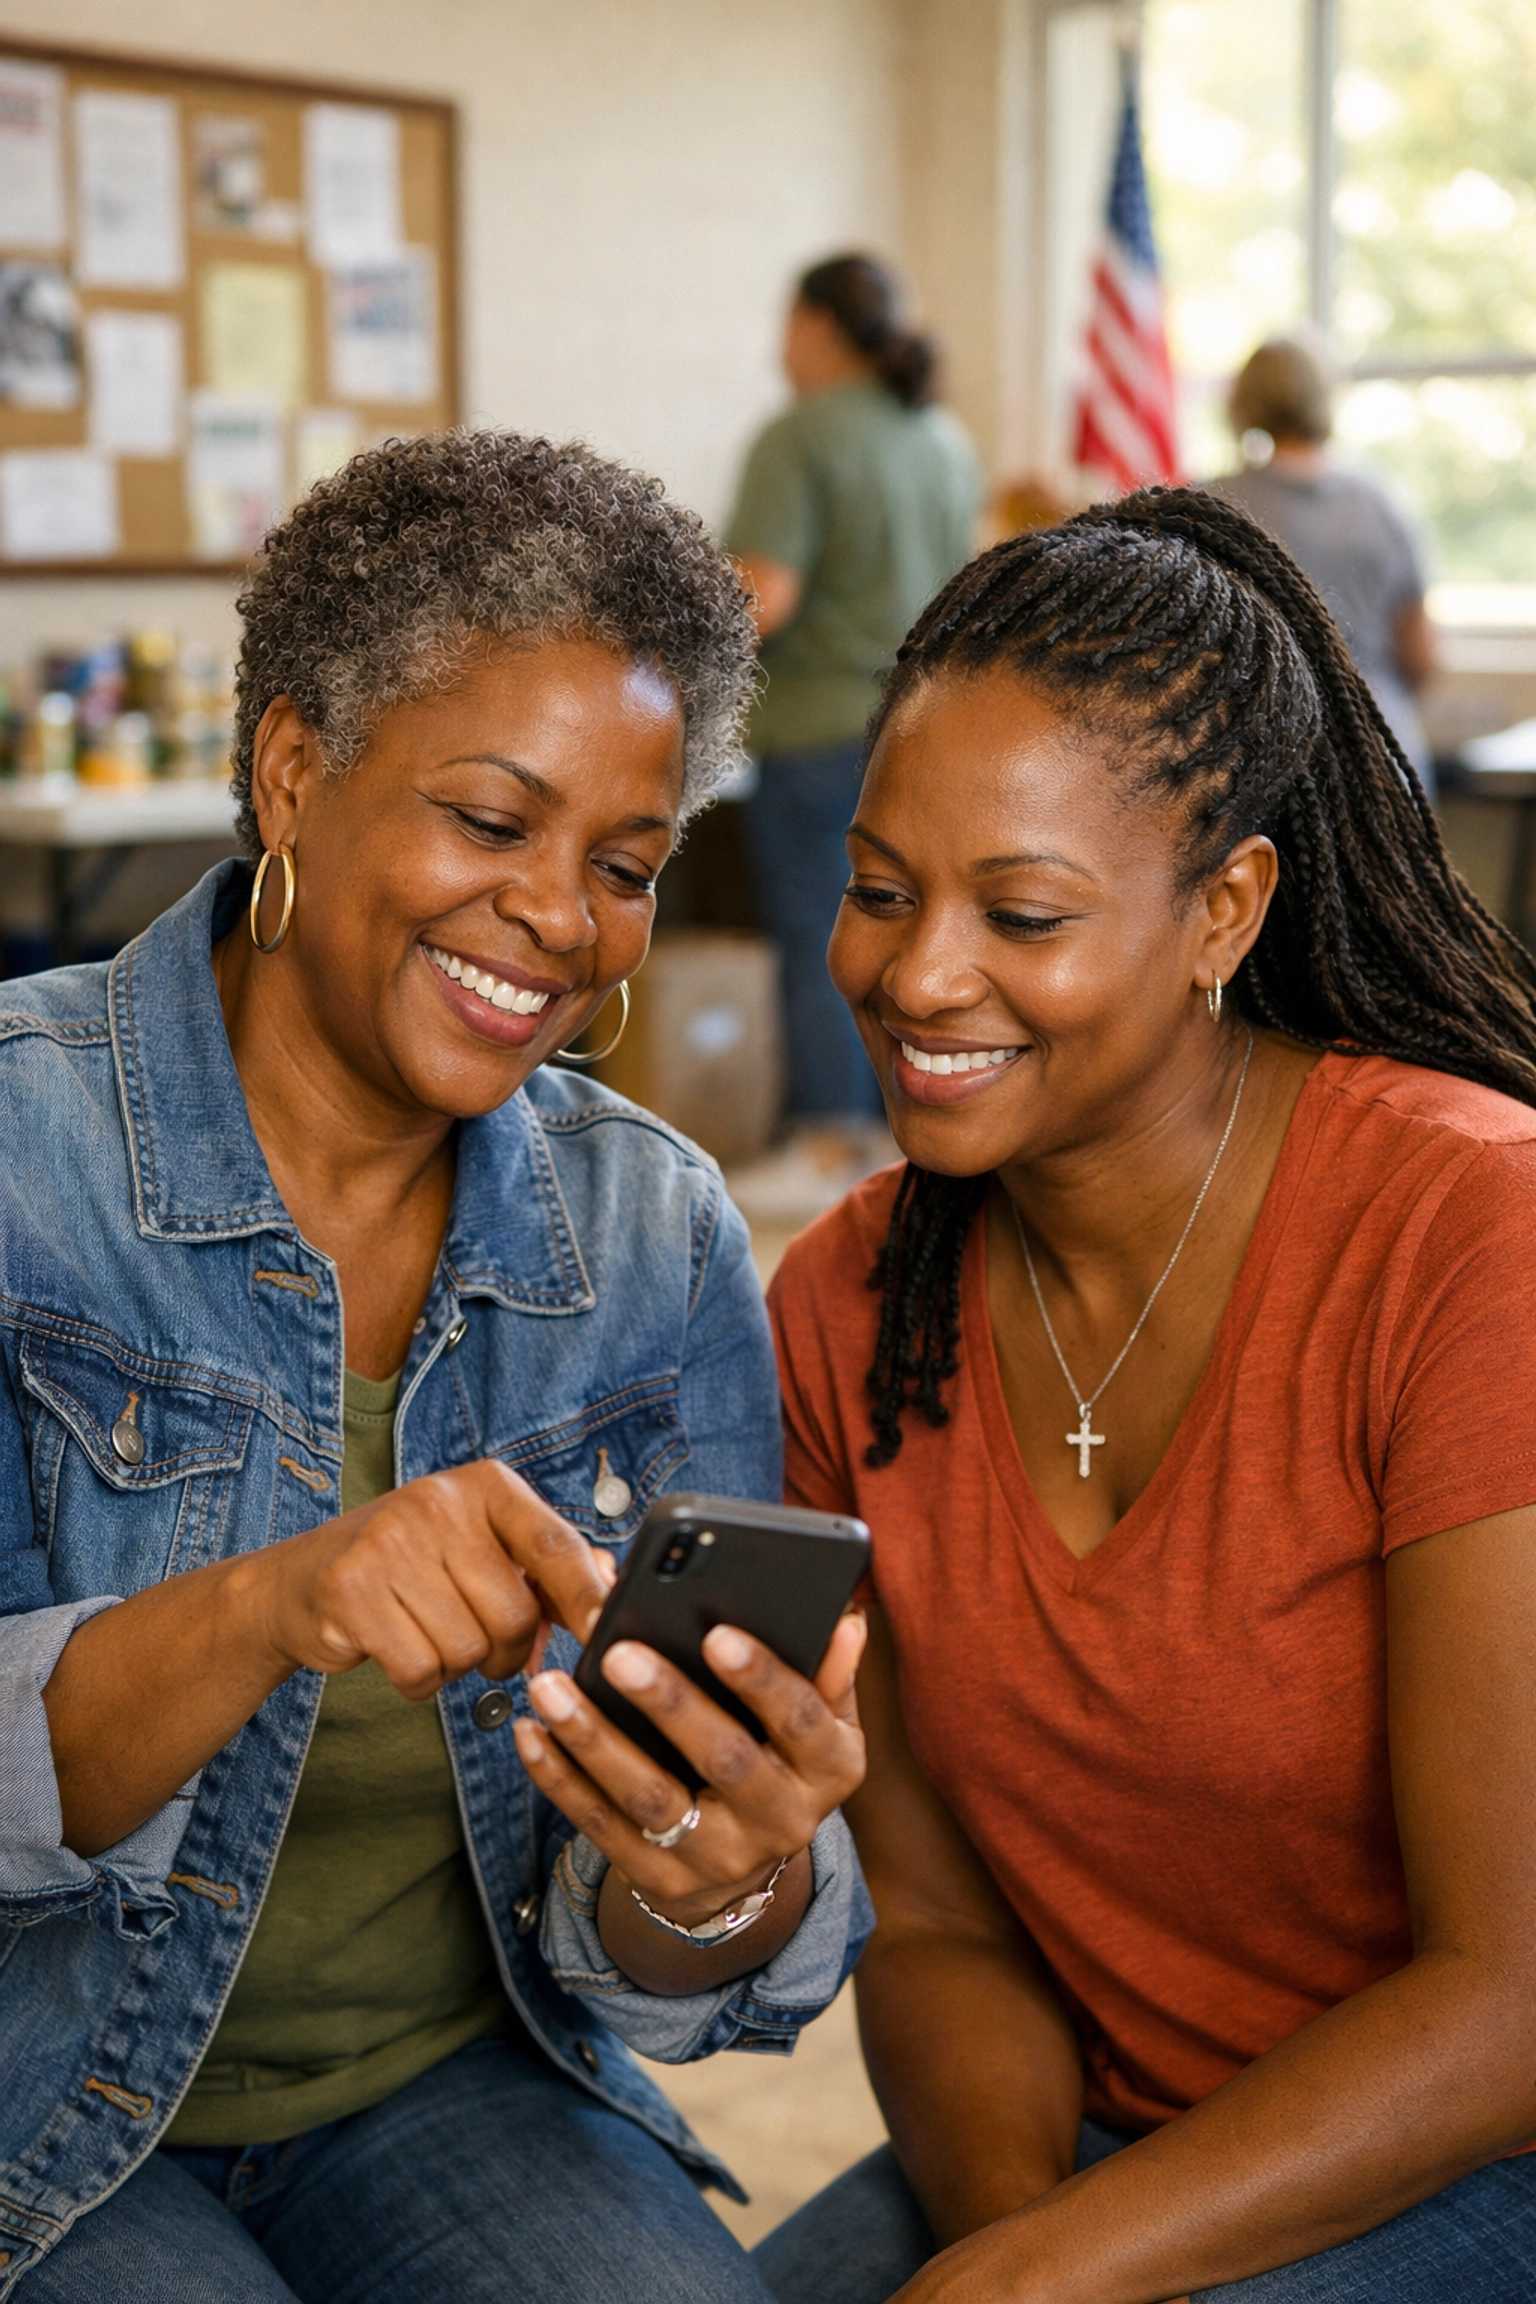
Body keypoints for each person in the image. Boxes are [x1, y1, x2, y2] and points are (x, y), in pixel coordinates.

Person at [0, 431, 870, 2303]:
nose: (562, 918)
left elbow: (638, 1951)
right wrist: (275, 1598)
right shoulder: (17, 1145)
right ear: (295, 771)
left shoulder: (654, 1229)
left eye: (623, 862)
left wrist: (717, 1866)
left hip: (438, 2085)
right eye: (493, 823)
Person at [756, 489, 1536, 2302]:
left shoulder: (1465, 1227)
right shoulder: (847, 1300)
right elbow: (940, 1922)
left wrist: (1036, 2282)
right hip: (1106, 2142)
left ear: (1224, 909)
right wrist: (1033, 2235)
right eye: (878, 890)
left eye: (1019, 911)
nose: (917, 973)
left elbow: (1511, 1996)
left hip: (1475, 2136)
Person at [724, 252, 982, 1209]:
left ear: (820, 327)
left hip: (822, 732)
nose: (777, 348)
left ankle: (830, 1141)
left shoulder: (800, 438)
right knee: (912, 939)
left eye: (786, 323)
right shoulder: (943, 438)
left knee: (818, 936)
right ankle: (904, 1129)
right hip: (925, 734)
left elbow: (765, 594)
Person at [1212, 334, 1438, 797]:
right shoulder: (1383, 505)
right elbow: (1421, 657)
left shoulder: (1212, 508)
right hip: (1381, 757)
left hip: (1259, 758)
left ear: (1244, 402)